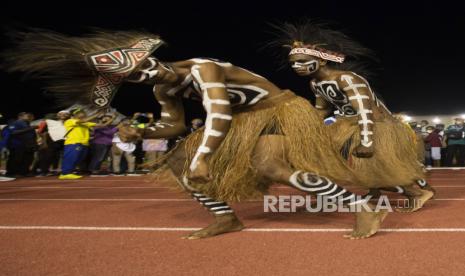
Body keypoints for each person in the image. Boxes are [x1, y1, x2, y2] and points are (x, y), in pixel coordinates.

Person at [4, 28, 400, 240]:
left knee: (271, 167)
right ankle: (226, 219)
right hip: (240, 119)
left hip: (278, 110)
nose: (149, 76)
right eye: (137, 78)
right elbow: (173, 127)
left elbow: (218, 114)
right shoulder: (164, 89)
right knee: (179, 162)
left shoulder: (201, 68)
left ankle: (360, 206)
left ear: (151, 58)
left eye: (147, 67)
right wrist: (138, 131)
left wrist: (205, 157)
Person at [275, 21, 434, 207]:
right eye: (293, 63)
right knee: (351, 163)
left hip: (377, 125)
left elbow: (364, 111)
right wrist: (305, 131)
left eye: (302, 61)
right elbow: (321, 111)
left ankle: (417, 192)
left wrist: (367, 142)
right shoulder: (315, 84)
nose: (296, 67)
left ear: (322, 60)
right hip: (348, 124)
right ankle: (376, 190)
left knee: (378, 166)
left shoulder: (347, 79)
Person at [60, 109, 110, 180]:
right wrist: (96, 114)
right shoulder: (70, 121)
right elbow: (82, 121)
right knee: (71, 158)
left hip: (84, 143)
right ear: (74, 115)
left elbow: (103, 125)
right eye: (81, 113)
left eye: (83, 112)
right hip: (73, 142)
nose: (83, 114)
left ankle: (70, 171)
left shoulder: (85, 123)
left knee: (79, 159)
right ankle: (65, 173)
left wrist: (113, 118)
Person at [5, 112, 37, 177]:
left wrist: (34, 144)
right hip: (16, 145)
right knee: (15, 159)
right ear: (20, 116)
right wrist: (30, 128)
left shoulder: (27, 124)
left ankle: (23, 172)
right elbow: (13, 132)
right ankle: (11, 173)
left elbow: (31, 135)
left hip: (26, 145)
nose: (28, 117)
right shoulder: (15, 123)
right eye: (26, 116)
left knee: (26, 159)